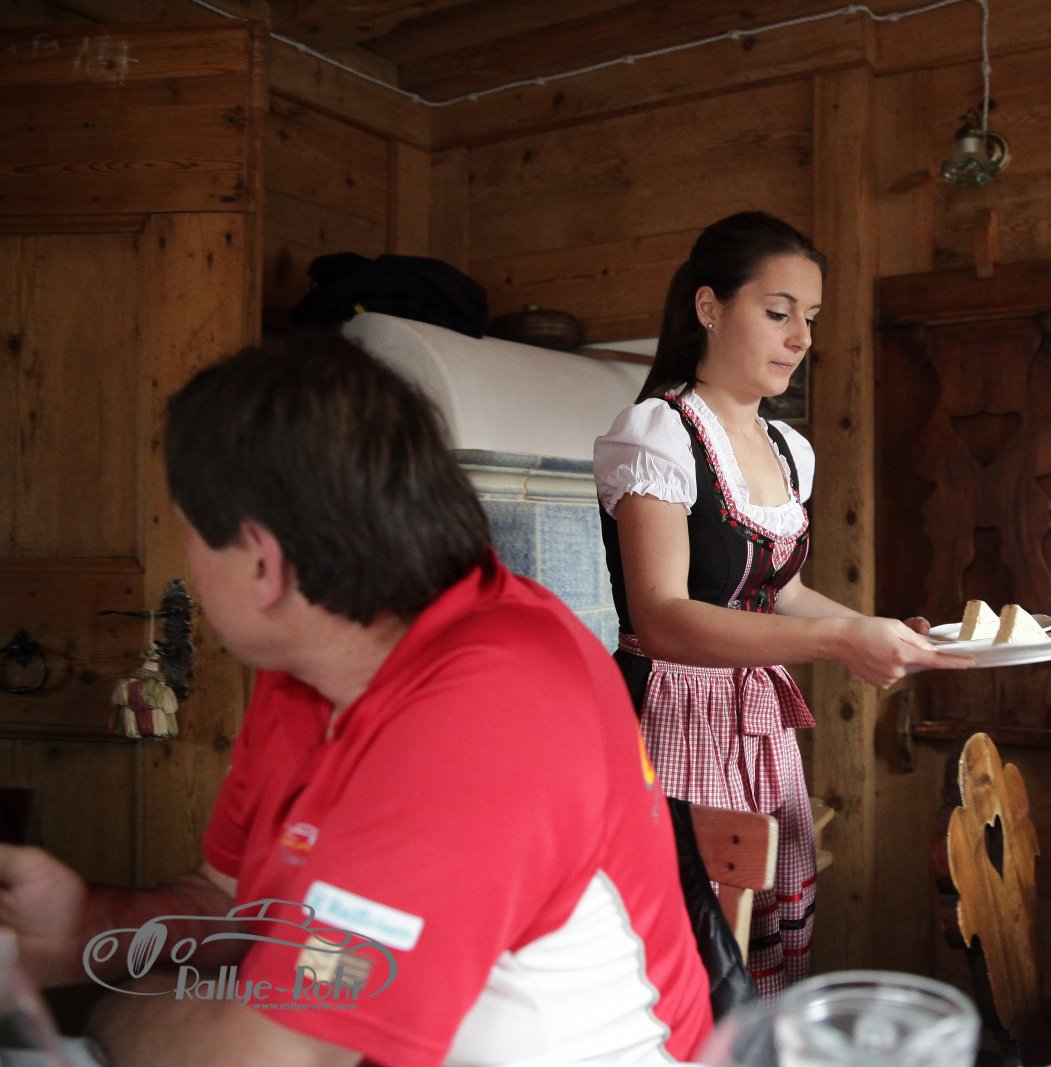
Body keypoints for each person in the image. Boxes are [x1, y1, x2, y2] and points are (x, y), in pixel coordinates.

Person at [0, 333, 712, 1066]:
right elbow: (236, 903)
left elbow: (273, 1055)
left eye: (188, 533)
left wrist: (102, 1007)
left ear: (263, 565)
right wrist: (89, 926)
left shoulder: (489, 713)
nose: (187, 558)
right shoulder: (316, 662)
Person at [593, 211, 972, 996]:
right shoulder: (657, 433)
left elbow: (781, 592)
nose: (801, 337)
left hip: (754, 722)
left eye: (812, 317)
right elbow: (661, 617)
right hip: (669, 716)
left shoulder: (788, 449)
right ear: (708, 307)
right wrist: (837, 641)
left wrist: (872, 628)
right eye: (778, 312)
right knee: (691, 944)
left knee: (763, 927)